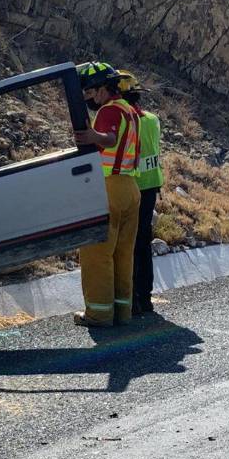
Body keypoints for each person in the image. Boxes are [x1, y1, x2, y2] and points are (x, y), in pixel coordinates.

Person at [72, 62, 140, 328]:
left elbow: (109, 139)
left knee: (96, 254)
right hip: (130, 189)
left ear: (102, 89)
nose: (89, 97)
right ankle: (122, 312)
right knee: (123, 254)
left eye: (90, 91)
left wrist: (91, 135)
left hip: (108, 188)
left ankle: (99, 313)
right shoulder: (131, 111)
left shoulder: (109, 110)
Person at [117, 70, 164, 316]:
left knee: (127, 243)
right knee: (143, 242)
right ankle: (144, 297)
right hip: (151, 187)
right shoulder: (152, 120)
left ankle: (130, 297)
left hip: (131, 186)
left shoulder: (125, 121)